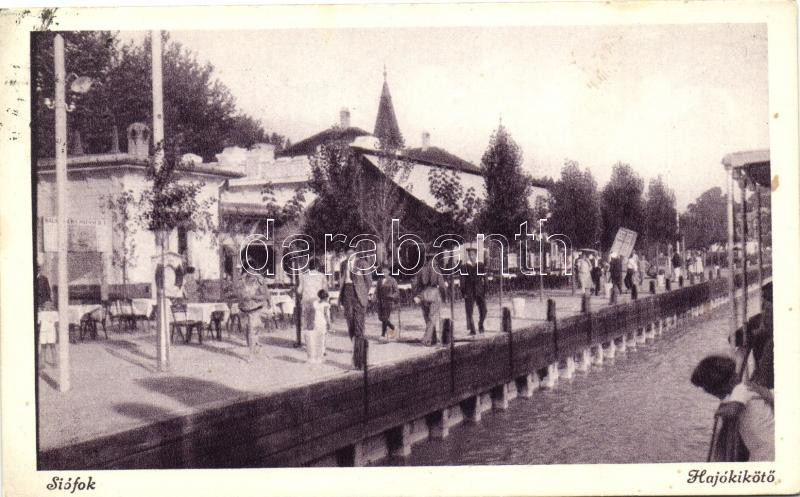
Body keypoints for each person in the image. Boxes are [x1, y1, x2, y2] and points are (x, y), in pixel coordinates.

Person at [691, 355, 774, 461]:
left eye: (708, 389)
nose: (708, 392)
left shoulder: (740, 389)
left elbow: (732, 411)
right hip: (763, 449)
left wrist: (718, 412)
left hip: (767, 452)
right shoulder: (746, 389)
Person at [339, 247, 372, 368]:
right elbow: (342, 281)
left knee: (359, 326)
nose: (349, 255)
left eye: (352, 253)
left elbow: (368, 281)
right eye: (347, 253)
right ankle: (355, 349)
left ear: (356, 253)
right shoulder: (343, 265)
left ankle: (359, 360)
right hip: (346, 294)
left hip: (358, 295)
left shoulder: (362, 263)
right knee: (350, 324)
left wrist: (362, 293)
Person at [413, 252, 447, 346]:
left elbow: (415, 284)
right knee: (432, 319)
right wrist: (444, 297)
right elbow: (442, 286)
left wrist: (417, 295)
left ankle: (433, 339)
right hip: (434, 294)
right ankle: (427, 339)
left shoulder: (421, 270)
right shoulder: (436, 270)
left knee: (428, 319)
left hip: (423, 295)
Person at [238, 267, 271, 359]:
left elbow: (265, 295)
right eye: (248, 270)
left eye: (252, 270)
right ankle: (256, 347)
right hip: (244, 309)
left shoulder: (260, 280)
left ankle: (251, 355)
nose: (250, 272)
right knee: (247, 330)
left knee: (252, 331)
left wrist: (254, 297)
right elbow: (238, 293)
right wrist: (241, 296)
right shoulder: (242, 280)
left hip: (256, 309)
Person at [297, 258, 328, 346]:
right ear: (318, 267)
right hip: (318, 302)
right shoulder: (322, 276)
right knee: (319, 323)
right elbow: (325, 290)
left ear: (309, 267)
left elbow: (299, 290)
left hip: (307, 301)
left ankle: (309, 345)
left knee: (308, 323)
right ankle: (320, 345)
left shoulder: (304, 276)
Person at [460, 247, 487, 335]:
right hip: (469, 291)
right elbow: (462, 280)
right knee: (469, 311)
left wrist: (485, 290)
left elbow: (485, 278)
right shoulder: (464, 267)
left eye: (472, 255)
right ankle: (472, 330)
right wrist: (463, 292)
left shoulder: (481, 265)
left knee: (484, 310)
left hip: (479, 291)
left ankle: (480, 324)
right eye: (469, 255)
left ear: (476, 255)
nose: (471, 257)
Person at [306, 289, 331, 363]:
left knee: (317, 337)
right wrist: (329, 323)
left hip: (316, 321)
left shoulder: (315, 303)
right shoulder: (326, 305)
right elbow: (326, 314)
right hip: (323, 322)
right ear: (326, 297)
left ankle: (317, 350)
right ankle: (322, 351)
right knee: (323, 337)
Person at [377, 262, 399, 338]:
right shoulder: (379, 280)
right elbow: (377, 291)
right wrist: (375, 299)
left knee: (385, 318)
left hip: (388, 301)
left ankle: (383, 335)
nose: (384, 273)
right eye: (383, 271)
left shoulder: (393, 280)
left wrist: (391, 296)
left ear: (389, 272)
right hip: (380, 302)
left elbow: (396, 292)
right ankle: (393, 328)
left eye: (385, 271)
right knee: (381, 318)